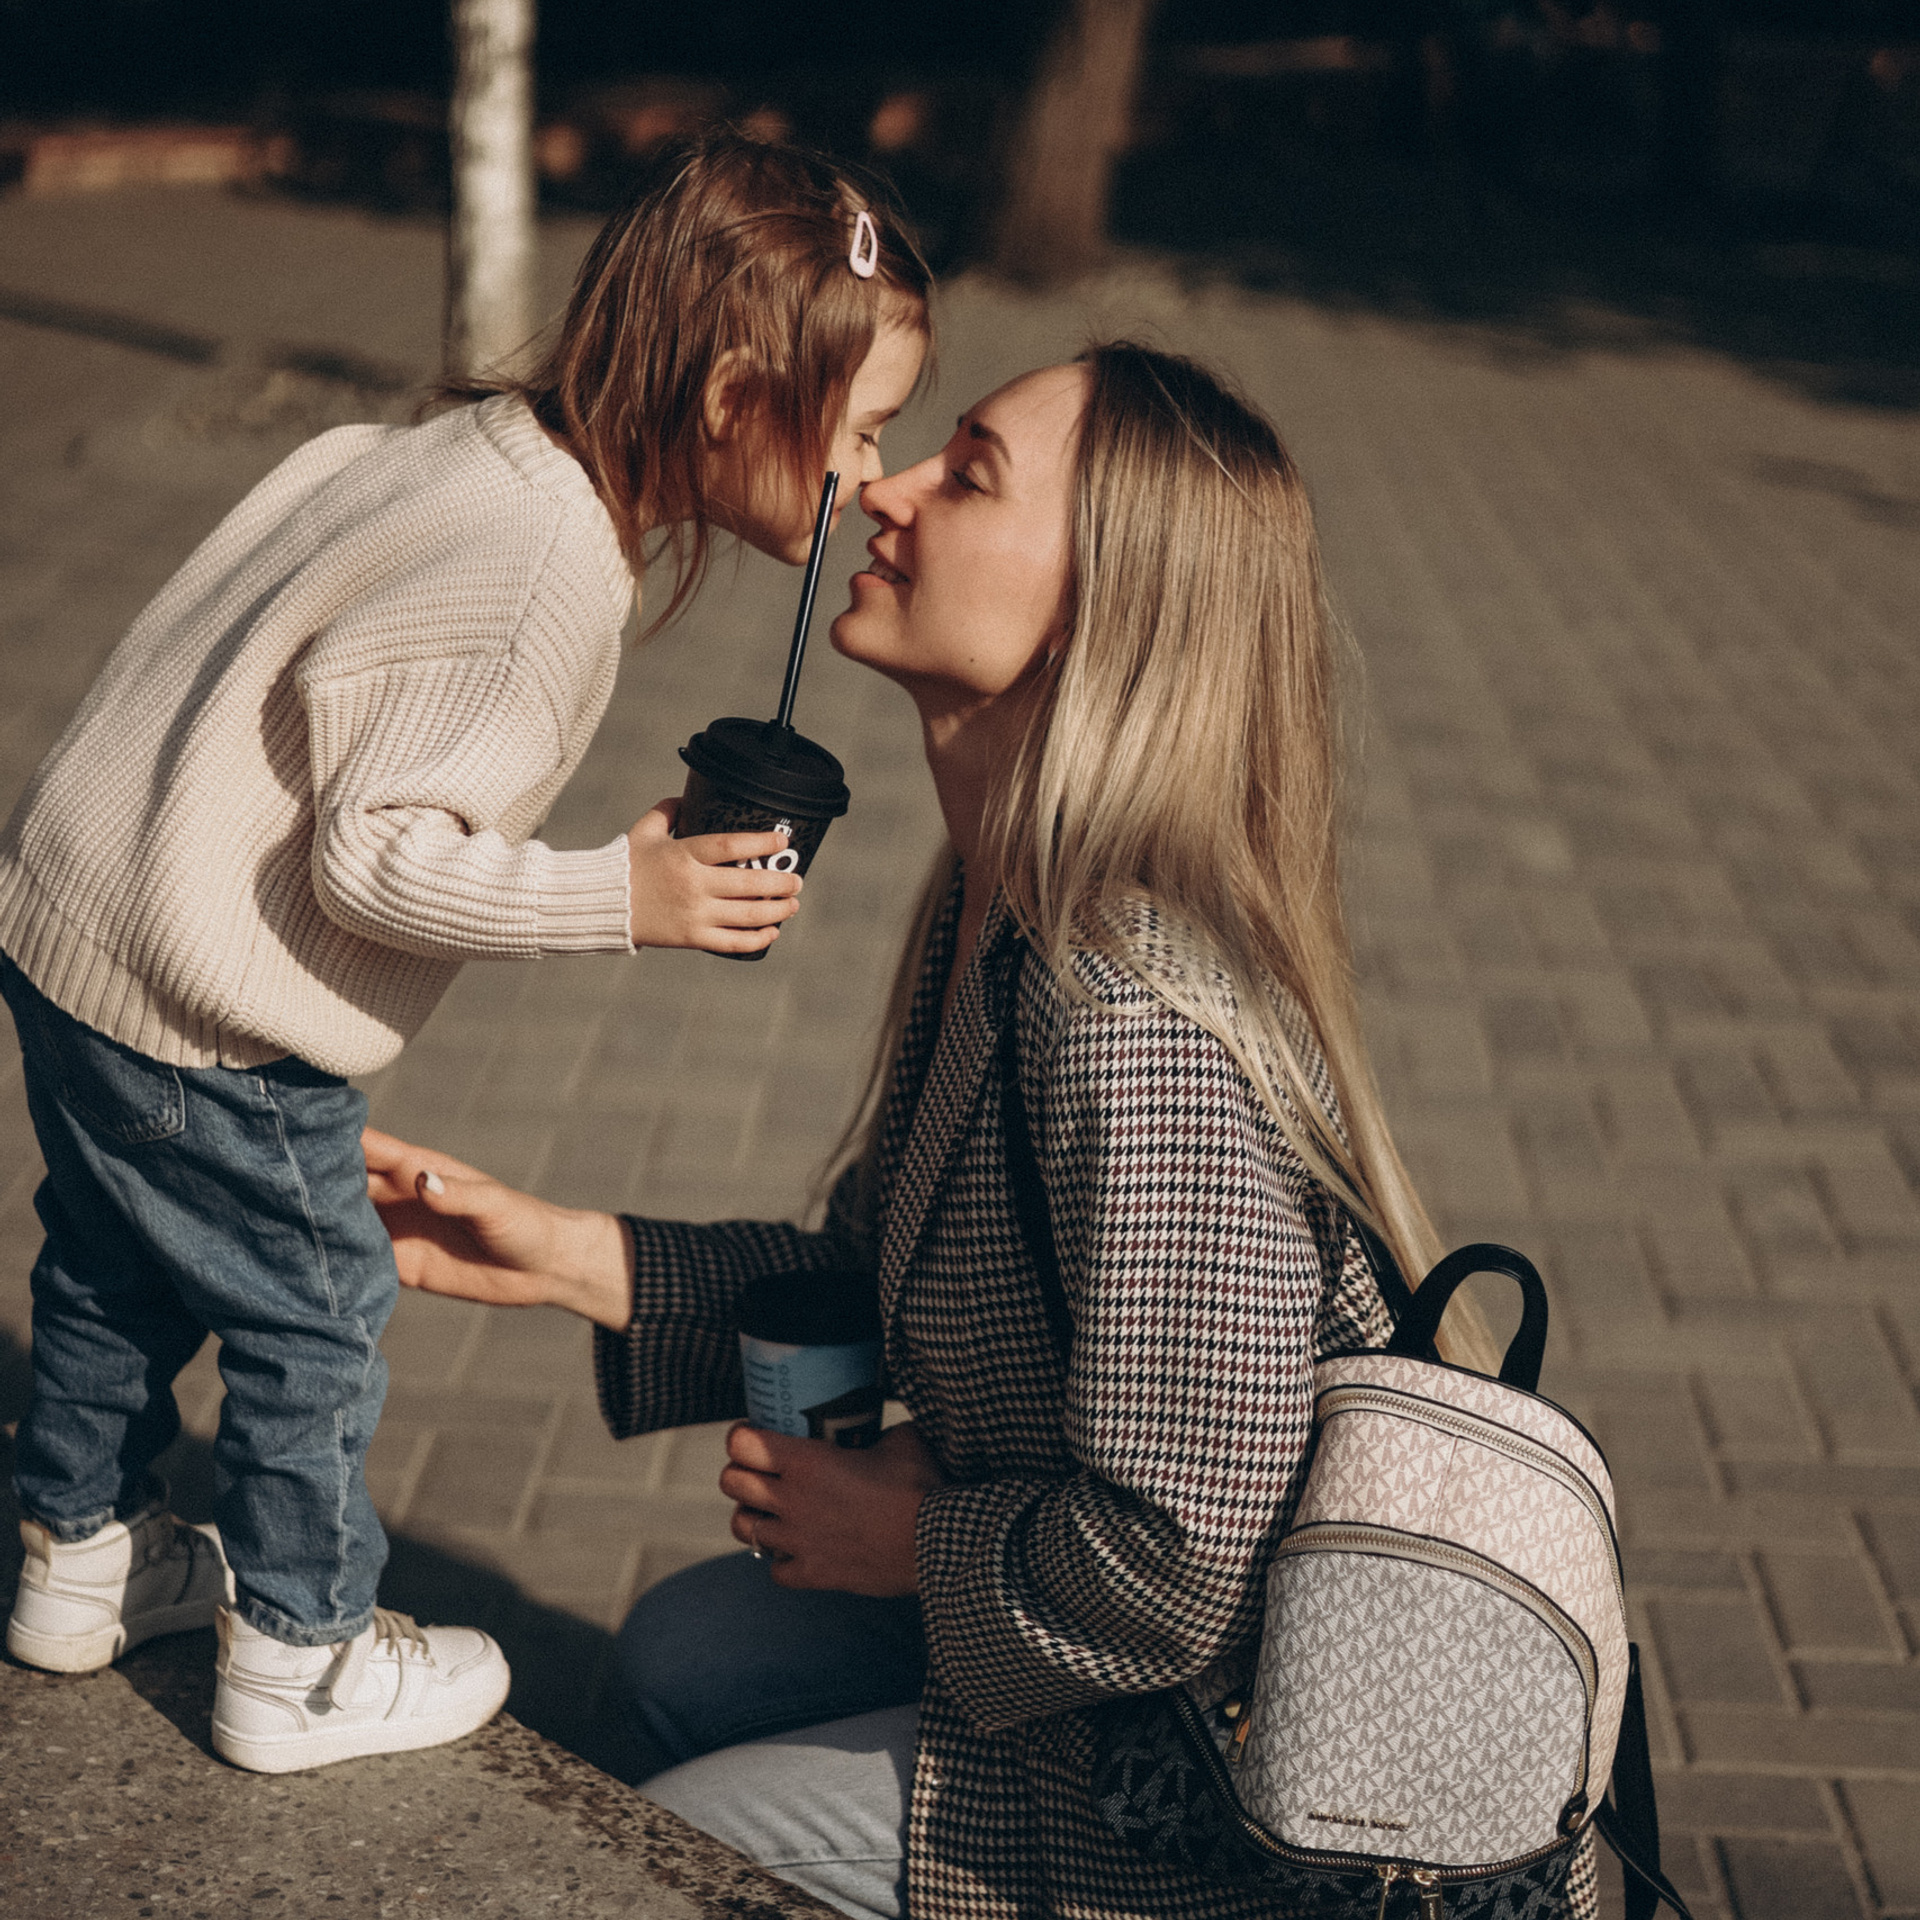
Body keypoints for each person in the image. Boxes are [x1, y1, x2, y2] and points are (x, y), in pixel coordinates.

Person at [365, 343, 1595, 1918]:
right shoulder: (993, 911)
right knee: (681, 1655)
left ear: (1105, 601)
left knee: (652, 1852)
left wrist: (914, 1541)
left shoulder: (1131, 1021)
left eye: (968, 472)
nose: (883, 486)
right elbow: (892, 1280)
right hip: (1086, 1646)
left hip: (1198, 1783)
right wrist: (562, 1258)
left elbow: (1186, 1556)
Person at [0, 130, 930, 1776]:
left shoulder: (465, 450)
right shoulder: (546, 566)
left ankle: (75, 1554)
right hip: (212, 997)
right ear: (732, 402)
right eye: (859, 432)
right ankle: (301, 1652)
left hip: (81, 928)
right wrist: (614, 899)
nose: (868, 474)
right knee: (320, 1310)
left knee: (114, 1254)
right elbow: (376, 857)